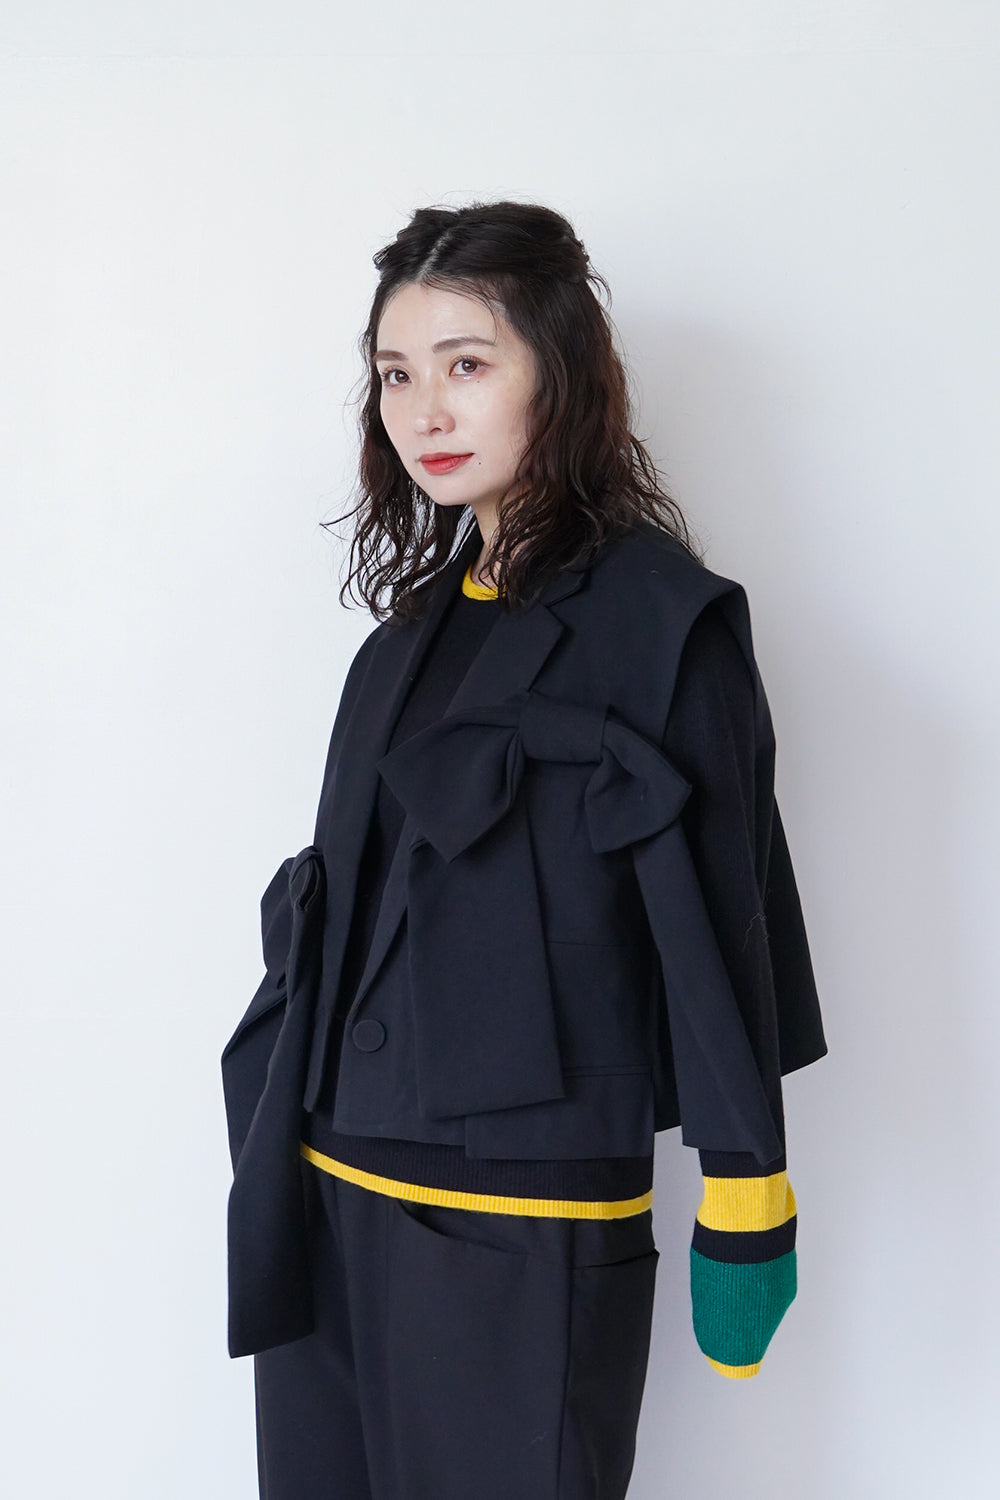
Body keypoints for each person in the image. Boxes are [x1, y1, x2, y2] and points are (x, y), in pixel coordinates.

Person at [221, 199, 828, 1500]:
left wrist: (747, 1193)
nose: (426, 410)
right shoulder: (406, 636)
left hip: (519, 1220)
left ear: (558, 368)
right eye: (397, 374)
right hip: (324, 1186)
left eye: (467, 364)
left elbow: (723, 918)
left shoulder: (665, 623)